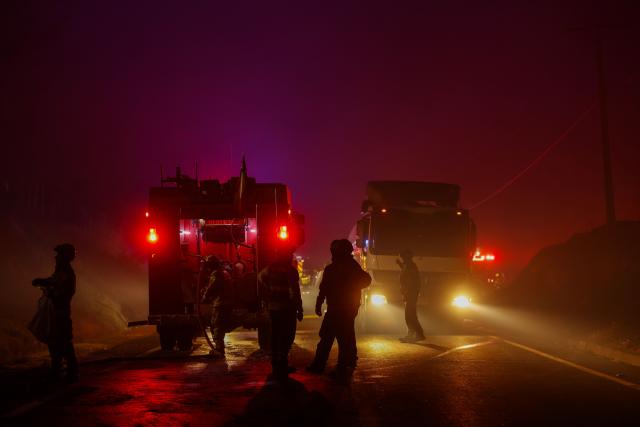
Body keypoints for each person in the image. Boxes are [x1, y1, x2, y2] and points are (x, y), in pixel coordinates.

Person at [306, 239, 371, 383]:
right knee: (345, 337)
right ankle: (346, 364)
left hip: (337, 309)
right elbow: (366, 280)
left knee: (329, 338)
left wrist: (318, 304)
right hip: (348, 309)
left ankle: (324, 366)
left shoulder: (333, 268)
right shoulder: (352, 267)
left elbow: (324, 289)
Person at [32, 243, 78, 382]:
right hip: (57, 311)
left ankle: (69, 371)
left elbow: (54, 284)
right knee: (58, 341)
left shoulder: (65, 272)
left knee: (62, 341)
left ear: (64, 256)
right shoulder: (62, 271)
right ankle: (62, 369)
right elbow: (53, 282)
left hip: (61, 312)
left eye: (58, 254)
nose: (55, 257)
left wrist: (42, 282)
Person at [259, 249, 303, 380]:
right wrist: (299, 309)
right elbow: (295, 292)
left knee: (275, 335)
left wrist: (269, 292)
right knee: (287, 336)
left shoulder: (269, 269)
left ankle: (275, 364)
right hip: (287, 308)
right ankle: (283, 364)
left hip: (273, 307)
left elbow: (260, 278)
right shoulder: (290, 271)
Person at [202, 256, 233, 354]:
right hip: (227, 303)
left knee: (216, 325)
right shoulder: (224, 273)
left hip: (220, 303)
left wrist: (204, 296)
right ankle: (219, 347)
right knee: (219, 325)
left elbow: (212, 287)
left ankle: (219, 348)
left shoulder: (216, 274)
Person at [397, 249, 425, 342]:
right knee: (411, 314)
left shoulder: (411, 266)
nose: (402, 258)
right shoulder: (408, 265)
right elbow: (405, 271)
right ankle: (417, 334)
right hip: (409, 293)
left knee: (409, 315)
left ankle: (415, 334)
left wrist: (407, 292)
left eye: (403, 257)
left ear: (407, 257)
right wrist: (399, 264)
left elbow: (411, 280)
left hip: (410, 293)